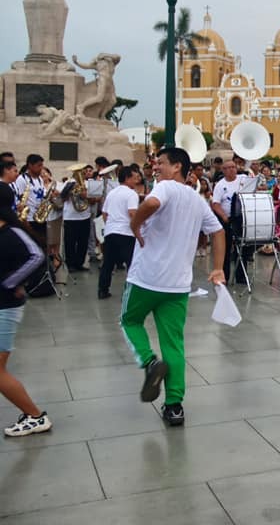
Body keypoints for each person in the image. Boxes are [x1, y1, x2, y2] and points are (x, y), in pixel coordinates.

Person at [121, 147, 225, 427]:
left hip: (145, 277)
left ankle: (148, 361)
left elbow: (152, 204)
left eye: (161, 163)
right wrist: (217, 267)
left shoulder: (165, 187)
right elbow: (217, 231)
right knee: (174, 344)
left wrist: (135, 223)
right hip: (178, 285)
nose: (156, 167)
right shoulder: (197, 199)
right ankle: (174, 406)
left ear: (177, 166)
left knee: (129, 321)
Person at [0, 183, 52, 437]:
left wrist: (11, 283)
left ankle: (35, 416)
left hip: (4, 308)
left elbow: (37, 256)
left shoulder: (12, 233)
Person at [97, 166, 140, 299]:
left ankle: (103, 290)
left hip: (111, 232)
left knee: (108, 263)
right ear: (127, 178)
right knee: (131, 263)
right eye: (134, 177)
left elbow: (104, 213)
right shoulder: (131, 194)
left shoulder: (112, 193)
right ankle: (131, 291)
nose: (137, 180)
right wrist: (138, 231)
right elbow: (133, 214)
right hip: (126, 233)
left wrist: (111, 224)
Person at [210, 159, 253, 285]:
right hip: (227, 219)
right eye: (228, 168)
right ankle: (224, 276)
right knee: (226, 248)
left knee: (243, 248)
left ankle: (241, 276)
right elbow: (216, 204)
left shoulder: (243, 179)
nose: (231, 169)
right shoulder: (220, 185)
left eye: (233, 167)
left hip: (242, 218)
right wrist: (224, 217)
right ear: (223, 170)